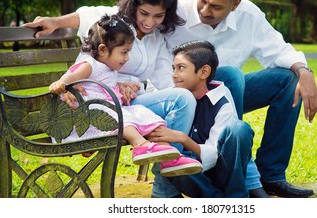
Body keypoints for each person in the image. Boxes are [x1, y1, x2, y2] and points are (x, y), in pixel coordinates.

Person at [24, 0, 199, 197]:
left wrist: (134, 85)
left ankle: (169, 162)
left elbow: (164, 81)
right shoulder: (114, 25)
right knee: (182, 99)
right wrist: (55, 22)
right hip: (95, 103)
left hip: (124, 102)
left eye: (158, 16)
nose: (149, 22)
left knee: (183, 98)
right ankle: (165, 183)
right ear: (134, 4)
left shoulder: (156, 37)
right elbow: (85, 16)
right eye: (144, 13)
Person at [161, 0, 317, 198]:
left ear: (235, 4)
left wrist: (304, 72)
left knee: (286, 80)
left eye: (216, 6)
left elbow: (278, 50)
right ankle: (247, 175)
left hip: (225, 99)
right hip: (184, 101)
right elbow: (131, 17)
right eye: (203, 0)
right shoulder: (176, 9)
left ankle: (272, 175)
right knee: (230, 76)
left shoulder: (249, 15)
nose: (205, 10)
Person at [49, 14, 203, 176]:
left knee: (143, 114)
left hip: (107, 112)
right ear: (102, 50)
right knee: (123, 116)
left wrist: (120, 86)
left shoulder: (107, 67)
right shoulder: (88, 65)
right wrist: (61, 86)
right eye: (124, 52)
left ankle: (170, 156)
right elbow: (64, 81)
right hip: (88, 118)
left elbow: (101, 85)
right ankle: (141, 145)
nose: (127, 58)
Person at [148, 40, 254, 197]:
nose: (174, 75)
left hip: (220, 172)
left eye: (181, 68)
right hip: (189, 175)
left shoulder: (221, 101)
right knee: (173, 159)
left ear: (204, 72)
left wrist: (182, 138)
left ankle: (235, 198)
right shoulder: (172, 99)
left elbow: (212, 154)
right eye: (174, 68)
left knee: (239, 129)